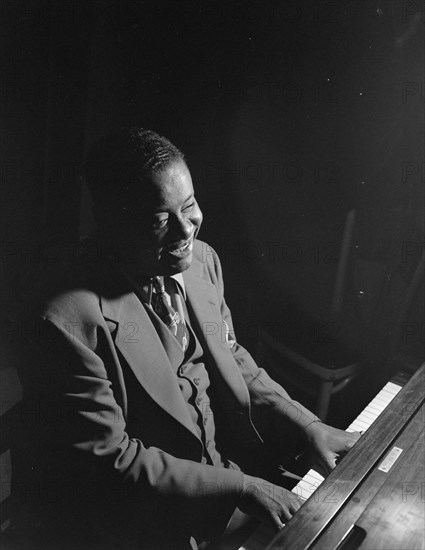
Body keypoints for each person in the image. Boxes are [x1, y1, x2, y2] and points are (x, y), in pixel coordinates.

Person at [12, 128, 360, 550]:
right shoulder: (63, 319)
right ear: (111, 220)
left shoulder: (202, 263)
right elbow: (113, 459)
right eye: (159, 220)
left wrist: (309, 425)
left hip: (229, 481)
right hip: (138, 523)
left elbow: (232, 355)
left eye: (190, 206)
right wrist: (241, 488)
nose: (184, 232)